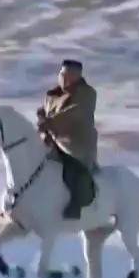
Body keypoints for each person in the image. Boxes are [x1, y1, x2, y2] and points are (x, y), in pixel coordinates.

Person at [38, 59, 99, 219]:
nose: (64, 79)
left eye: (69, 76)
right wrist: (43, 123)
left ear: (77, 77)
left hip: (76, 144)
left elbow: (74, 113)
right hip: (52, 142)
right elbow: (44, 113)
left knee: (74, 170)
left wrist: (50, 123)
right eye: (62, 75)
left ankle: (76, 206)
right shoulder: (53, 95)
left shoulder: (87, 93)